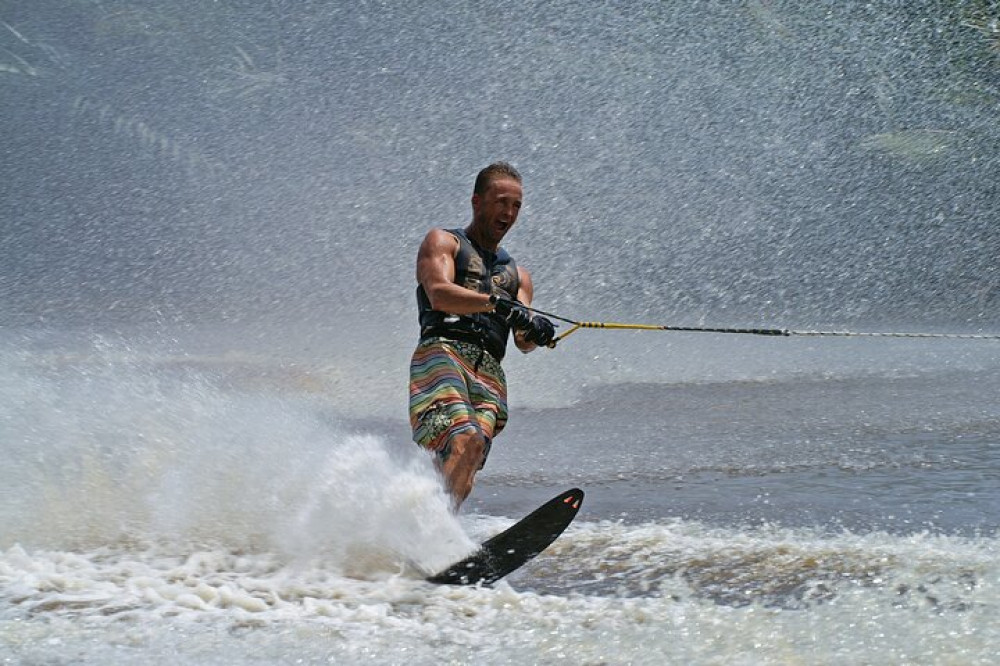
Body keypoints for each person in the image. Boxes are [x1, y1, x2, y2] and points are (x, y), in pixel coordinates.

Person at [409, 161, 555, 507]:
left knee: (470, 454)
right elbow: (439, 294)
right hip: (443, 354)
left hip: (489, 371)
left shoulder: (518, 275)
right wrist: (496, 305)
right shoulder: (445, 242)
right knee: (463, 439)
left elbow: (523, 342)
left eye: (516, 205)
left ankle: (433, 530)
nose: (509, 212)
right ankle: (435, 532)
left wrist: (538, 330)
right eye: (501, 202)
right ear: (477, 202)